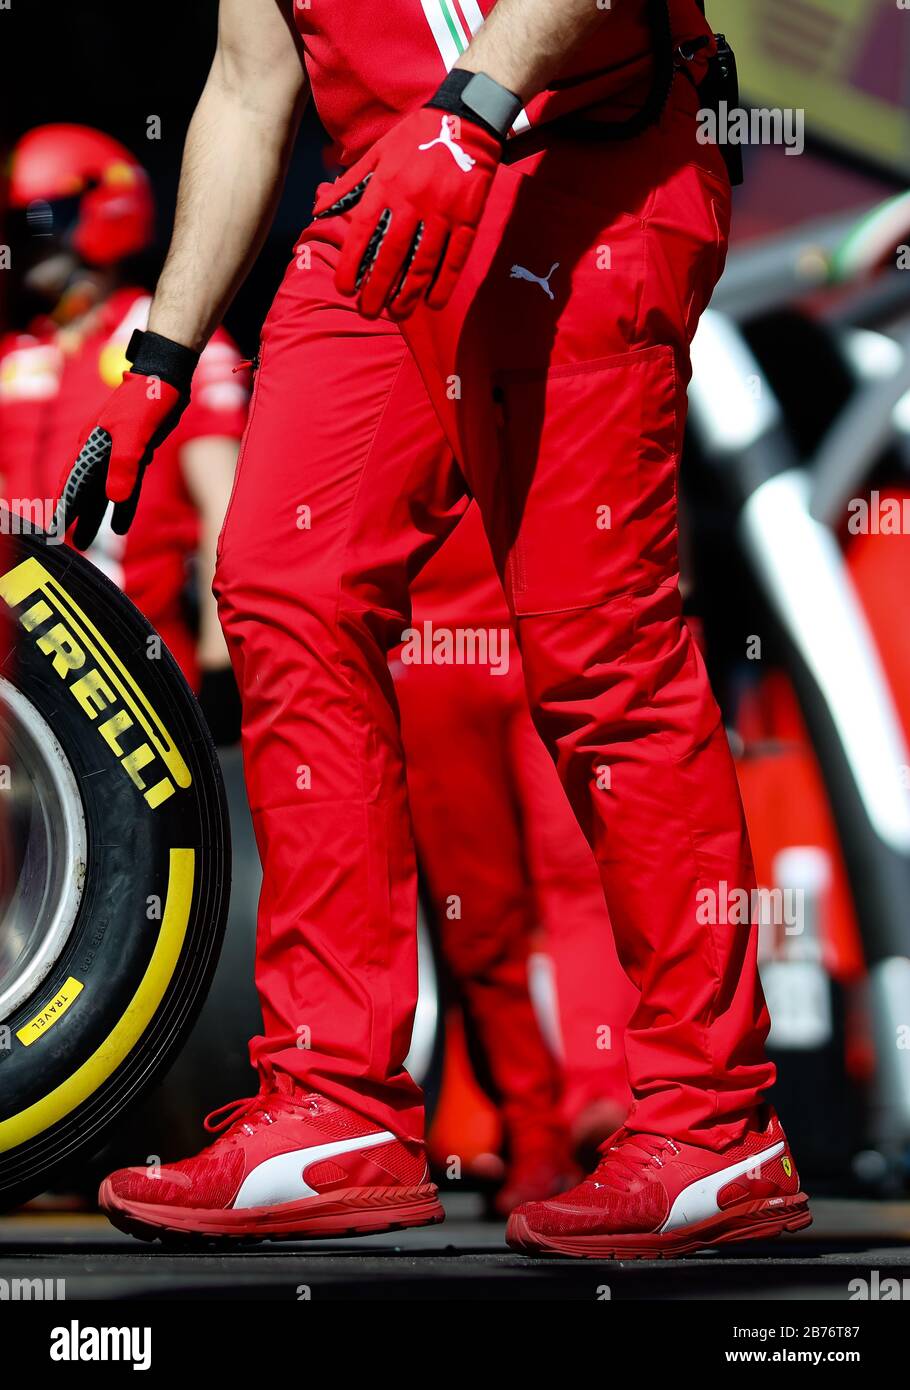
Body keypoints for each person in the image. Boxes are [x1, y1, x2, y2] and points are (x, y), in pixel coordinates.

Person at [61, 0, 810, 1258]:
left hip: (586, 166)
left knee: (598, 645)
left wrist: (472, 106)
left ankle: (715, 1123)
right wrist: (158, 361)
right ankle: (333, 1103)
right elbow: (250, 86)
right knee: (282, 584)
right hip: (387, 191)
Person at [396, 499, 636, 1209]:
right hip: (431, 641)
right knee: (477, 916)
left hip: (561, 618)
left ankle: (611, 1106)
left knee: (594, 873)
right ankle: (535, 1133)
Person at [1, 125, 247, 723]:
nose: (24, 243)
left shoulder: (170, 346)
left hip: (134, 685)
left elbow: (227, 508)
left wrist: (221, 664)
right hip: (16, 682)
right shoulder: (15, 355)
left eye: (37, 221)